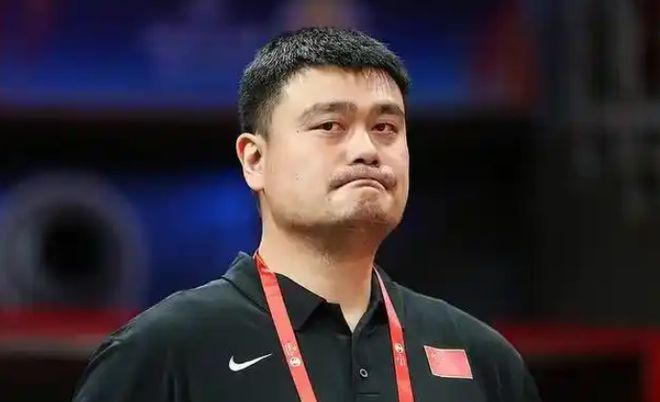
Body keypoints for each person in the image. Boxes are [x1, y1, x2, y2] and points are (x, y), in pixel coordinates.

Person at [72, 26, 541, 402]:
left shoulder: (484, 360)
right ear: (255, 159)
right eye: (330, 125)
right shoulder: (162, 353)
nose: (366, 149)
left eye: (385, 127)